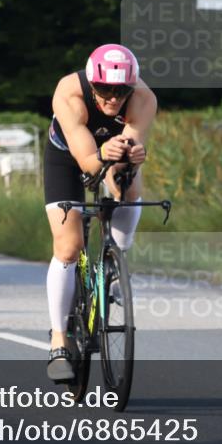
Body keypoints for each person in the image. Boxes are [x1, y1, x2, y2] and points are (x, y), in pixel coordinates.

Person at [44, 44, 157, 381]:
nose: (112, 98)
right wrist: (103, 155)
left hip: (111, 150)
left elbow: (120, 169)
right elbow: (88, 164)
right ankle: (59, 340)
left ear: (131, 87)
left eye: (120, 91)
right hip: (69, 156)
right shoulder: (69, 93)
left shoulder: (144, 99)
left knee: (131, 190)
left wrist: (127, 164)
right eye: (105, 90)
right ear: (92, 84)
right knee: (68, 246)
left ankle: (116, 260)